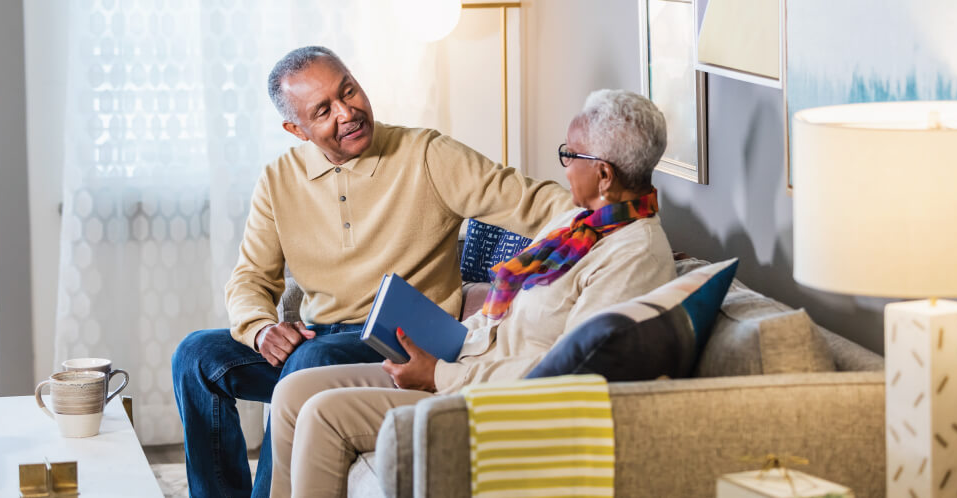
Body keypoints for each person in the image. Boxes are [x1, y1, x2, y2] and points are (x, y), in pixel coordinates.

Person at [171, 46, 572, 498]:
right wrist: (262, 329)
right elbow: (249, 279)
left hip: (402, 343)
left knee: (307, 363)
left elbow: (533, 203)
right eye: (324, 110)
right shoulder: (278, 180)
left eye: (349, 91)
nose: (348, 112)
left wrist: (607, 214)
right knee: (196, 356)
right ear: (296, 129)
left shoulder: (426, 153)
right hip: (320, 336)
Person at [267, 89, 678, 497]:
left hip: (498, 402)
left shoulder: (633, 256)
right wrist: (443, 343)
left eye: (570, 155)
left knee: (324, 413)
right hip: (463, 361)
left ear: (604, 175)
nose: (565, 166)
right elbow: (504, 311)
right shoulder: (579, 223)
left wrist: (438, 376)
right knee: (292, 391)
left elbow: (571, 375)